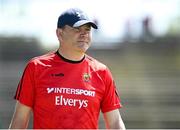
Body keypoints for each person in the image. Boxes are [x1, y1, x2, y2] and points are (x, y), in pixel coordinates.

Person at [9, 8, 126, 129]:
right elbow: (20, 120)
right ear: (59, 33)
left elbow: (115, 123)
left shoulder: (102, 72)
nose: (84, 34)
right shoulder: (36, 67)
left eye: (87, 30)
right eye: (77, 29)